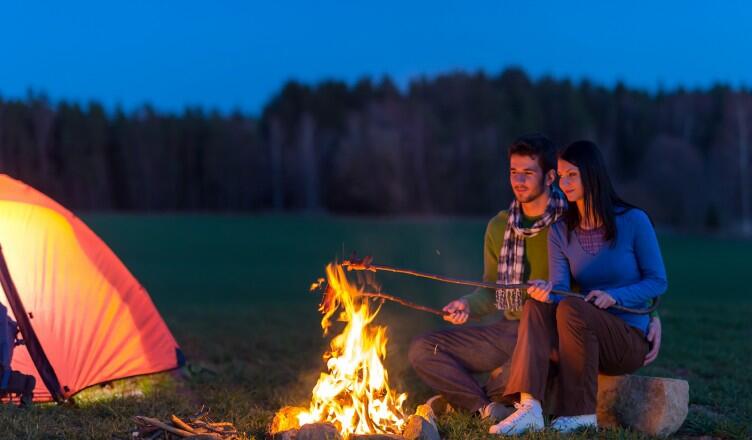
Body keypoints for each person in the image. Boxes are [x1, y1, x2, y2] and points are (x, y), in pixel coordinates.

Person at [409, 134, 663, 421]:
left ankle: (484, 402)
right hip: (510, 328)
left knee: (521, 370)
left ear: (549, 176)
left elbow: (619, 274)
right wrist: (467, 305)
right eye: (513, 172)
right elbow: (492, 289)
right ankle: (486, 407)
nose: (519, 180)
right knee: (423, 350)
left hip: (555, 331)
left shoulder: (572, 218)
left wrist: (652, 315)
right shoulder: (500, 226)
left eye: (528, 173)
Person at [489, 140, 668, 435]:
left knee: (573, 306)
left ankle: (581, 414)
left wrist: (616, 297)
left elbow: (657, 280)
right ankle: (529, 407)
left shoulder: (634, 221)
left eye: (572, 175)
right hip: (582, 336)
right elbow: (561, 290)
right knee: (535, 305)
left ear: (592, 174)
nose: (564, 183)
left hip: (627, 339)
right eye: (560, 176)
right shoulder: (560, 231)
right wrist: (547, 291)